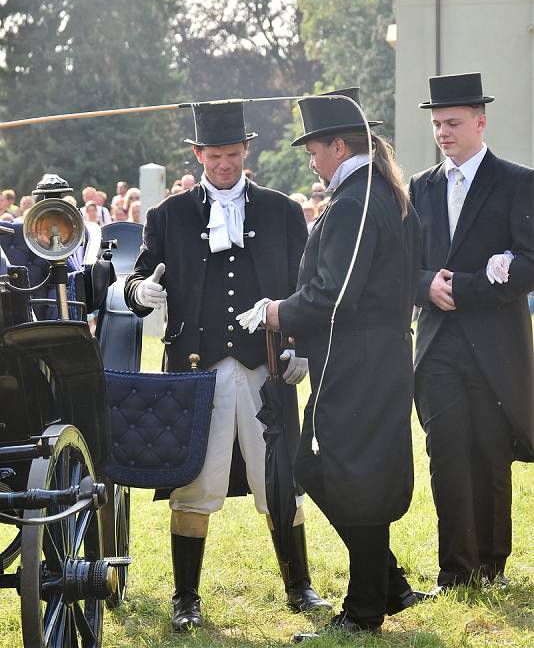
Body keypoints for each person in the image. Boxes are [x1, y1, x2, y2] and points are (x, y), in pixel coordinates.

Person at [124, 100, 329, 632]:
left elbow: (305, 288)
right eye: (214, 156)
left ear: (246, 152)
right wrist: (141, 292)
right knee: (196, 481)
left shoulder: (282, 211)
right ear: (197, 155)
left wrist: (300, 345)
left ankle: (299, 587)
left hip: (265, 365)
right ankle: (186, 598)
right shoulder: (168, 216)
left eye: (233, 154)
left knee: (278, 478)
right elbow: (137, 282)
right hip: (197, 372)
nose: (224, 165)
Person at [261, 87, 427, 637]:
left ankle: (364, 611)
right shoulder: (376, 193)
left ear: (338, 145)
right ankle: (387, 584)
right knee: (340, 471)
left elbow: (334, 293)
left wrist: (277, 312)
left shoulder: (359, 199)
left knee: (340, 472)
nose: (310, 157)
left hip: (359, 357)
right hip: (368, 354)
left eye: (314, 146)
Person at [409, 72, 534, 591]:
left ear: (480, 122)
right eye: (437, 124)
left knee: (489, 449)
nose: (443, 132)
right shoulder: (420, 186)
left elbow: (529, 262)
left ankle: (491, 562)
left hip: (494, 341)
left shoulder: (517, 181)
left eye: (453, 123)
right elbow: (405, 262)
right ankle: (455, 571)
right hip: (437, 342)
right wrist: (424, 286)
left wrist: (465, 288)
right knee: (446, 450)